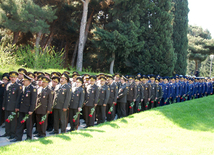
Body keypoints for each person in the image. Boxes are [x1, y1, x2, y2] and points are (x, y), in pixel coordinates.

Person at [11, 74, 37, 142]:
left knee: (28, 124)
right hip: (22, 109)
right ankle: (18, 137)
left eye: (24, 81)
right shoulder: (23, 88)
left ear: (28, 81)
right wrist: (17, 107)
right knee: (20, 124)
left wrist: (31, 110)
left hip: (28, 110)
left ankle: (29, 137)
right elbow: (20, 99)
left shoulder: (32, 88)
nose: (23, 82)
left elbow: (33, 101)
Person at [1, 72, 22, 139]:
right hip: (7, 106)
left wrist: (17, 107)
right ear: (10, 78)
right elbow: (5, 96)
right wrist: (3, 105)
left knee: (13, 121)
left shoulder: (18, 86)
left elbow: (19, 98)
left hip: (13, 107)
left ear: (16, 78)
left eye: (14, 77)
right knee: (7, 120)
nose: (13, 79)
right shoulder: (8, 85)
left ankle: (13, 133)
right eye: (11, 77)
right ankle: (7, 132)